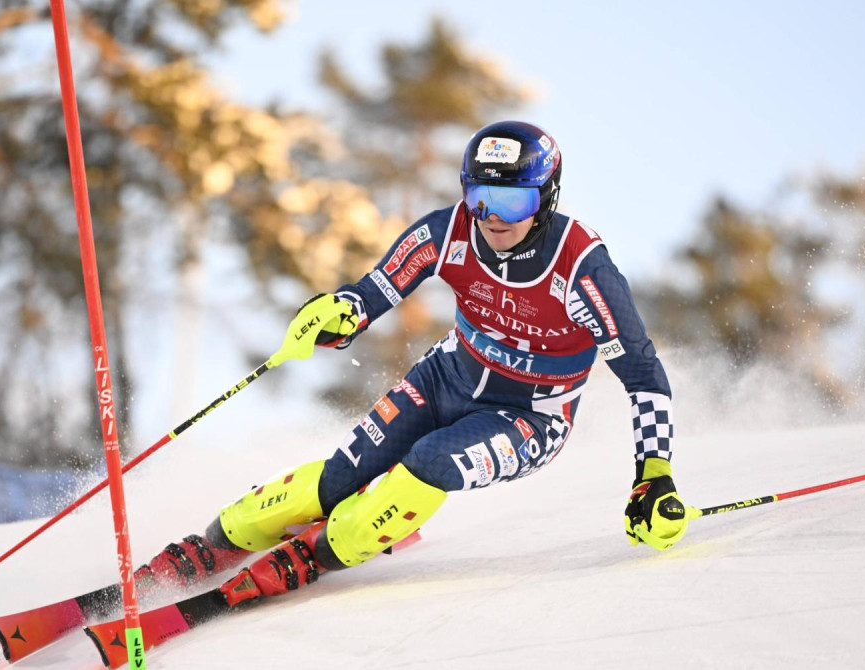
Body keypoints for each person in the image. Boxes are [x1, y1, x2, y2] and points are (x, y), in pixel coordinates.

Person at [134, 120, 688, 602]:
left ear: (546, 199)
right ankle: (212, 543)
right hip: (445, 377)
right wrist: (339, 313)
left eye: (513, 202)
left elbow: (643, 376)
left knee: (431, 460)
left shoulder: (582, 269)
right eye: (480, 198)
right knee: (337, 480)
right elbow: (375, 291)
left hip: (529, 417)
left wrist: (654, 474)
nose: (492, 218)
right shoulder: (448, 231)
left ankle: (323, 551)